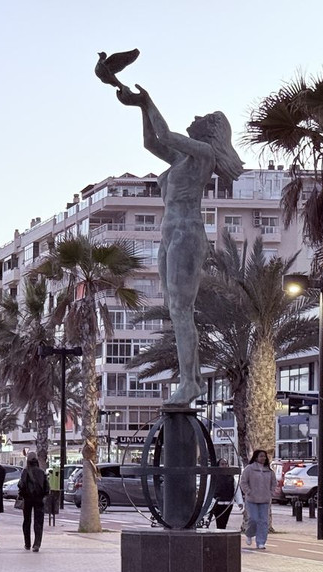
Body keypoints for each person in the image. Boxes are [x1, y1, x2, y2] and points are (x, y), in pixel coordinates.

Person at [116, 81, 243, 406]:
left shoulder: (204, 154)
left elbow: (166, 134)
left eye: (202, 117)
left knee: (182, 309)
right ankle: (193, 378)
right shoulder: (181, 160)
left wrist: (148, 100)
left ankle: (189, 382)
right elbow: (151, 141)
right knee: (175, 309)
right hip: (170, 233)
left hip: (187, 233)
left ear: (209, 130)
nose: (195, 117)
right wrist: (140, 108)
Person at [239, 449, 275, 550]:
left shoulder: (269, 471)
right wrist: (248, 491)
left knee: (263, 521)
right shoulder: (249, 469)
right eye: (261, 456)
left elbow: (274, 483)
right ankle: (249, 534)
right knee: (253, 519)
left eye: (264, 456)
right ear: (256, 457)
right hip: (252, 499)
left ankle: (261, 542)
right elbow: (243, 482)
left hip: (265, 499)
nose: (263, 458)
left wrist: (270, 493)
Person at [19, 452, 50, 552]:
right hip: (39, 499)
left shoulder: (25, 471)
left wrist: (22, 493)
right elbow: (47, 487)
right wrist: (44, 496)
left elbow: (21, 485)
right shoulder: (41, 472)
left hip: (27, 498)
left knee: (26, 521)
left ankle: (27, 543)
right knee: (38, 522)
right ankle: (37, 544)